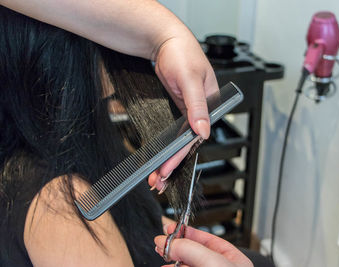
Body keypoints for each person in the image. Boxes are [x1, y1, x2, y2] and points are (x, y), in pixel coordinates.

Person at [0, 1, 262, 266]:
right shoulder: (59, 206)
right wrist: (165, 35)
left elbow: (133, 222)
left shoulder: (82, 141)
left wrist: (167, 35)